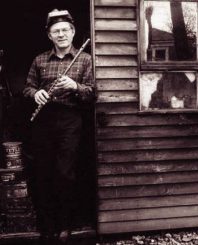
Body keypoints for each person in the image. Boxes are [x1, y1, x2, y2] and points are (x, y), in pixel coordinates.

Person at [23, 9, 94, 244]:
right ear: (49, 35)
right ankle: (47, 226)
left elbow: (93, 93)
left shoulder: (85, 59)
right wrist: (36, 94)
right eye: (56, 31)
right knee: (43, 172)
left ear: (73, 32)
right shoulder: (39, 60)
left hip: (70, 120)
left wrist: (75, 86)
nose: (61, 34)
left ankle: (65, 225)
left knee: (65, 173)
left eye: (65, 30)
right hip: (43, 120)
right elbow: (27, 88)